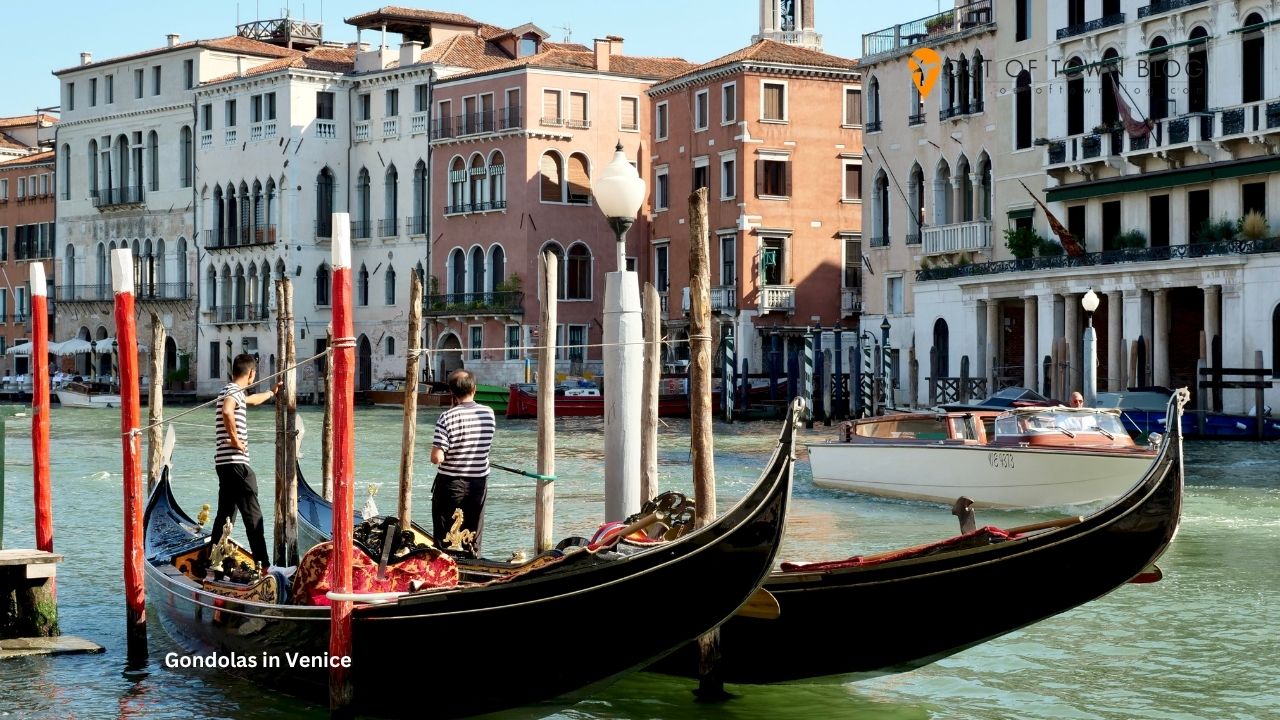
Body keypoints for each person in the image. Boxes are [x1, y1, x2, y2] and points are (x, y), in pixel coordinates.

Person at [209, 353, 280, 575]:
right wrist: (236, 440)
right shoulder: (232, 393)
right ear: (251, 373)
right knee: (253, 515)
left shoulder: (231, 391)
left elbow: (251, 400)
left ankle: (212, 561)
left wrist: (271, 392)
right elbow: (228, 410)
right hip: (236, 463)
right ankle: (265, 567)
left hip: (224, 464)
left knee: (225, 517)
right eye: (254, 374)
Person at [430, 369, 496, 558]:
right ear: (474, 389)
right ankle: (473, 560)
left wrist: (439, 452)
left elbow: (437, 458)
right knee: (473, 529)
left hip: (451, 483)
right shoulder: (489, 414)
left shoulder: (447, 417)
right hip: (479, 482)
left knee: (446, 534)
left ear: (452, 392)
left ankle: (446, 566)